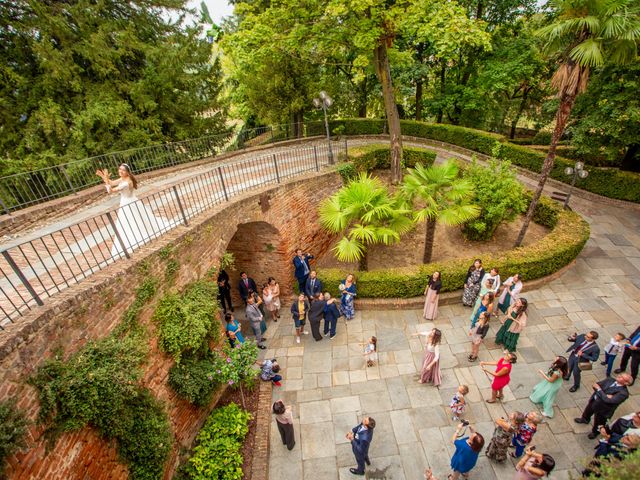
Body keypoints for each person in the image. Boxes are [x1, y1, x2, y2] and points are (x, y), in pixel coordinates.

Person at [96, 164, 169, 256]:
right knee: (136, 219)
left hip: (127, 203)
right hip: (130, 201)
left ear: (127, 172)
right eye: (119, 169)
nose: (120, 171)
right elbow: (112, 183)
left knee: (130, 221)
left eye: (123, 170)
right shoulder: (124, 179)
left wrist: (106, 181)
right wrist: (104, 177)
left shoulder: (126, 183)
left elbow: (110, 191)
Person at [574, 373, 632, 439]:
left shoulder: (623, 393)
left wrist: (599, 390)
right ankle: (585, 419)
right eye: (621, 375)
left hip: (603, 409)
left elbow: (608, 401)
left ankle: (595, 432)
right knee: (588, 411)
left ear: (626, 383)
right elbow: (596, 385)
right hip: (594, 400)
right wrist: (604, 395)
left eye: (622, 377)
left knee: (599, 422)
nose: (619, 376)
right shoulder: (610, 379)